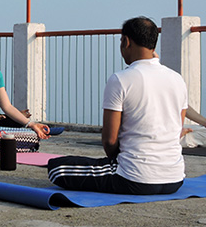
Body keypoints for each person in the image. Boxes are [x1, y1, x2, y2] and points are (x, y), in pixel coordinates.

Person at [48, 17, 187, 195]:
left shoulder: (121, 79)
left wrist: (119, 159)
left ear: (126, 41)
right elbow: (178, 130)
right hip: (175, 179)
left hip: (133, 177)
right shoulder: (177, 79)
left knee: (56, 168)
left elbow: (109, 140)